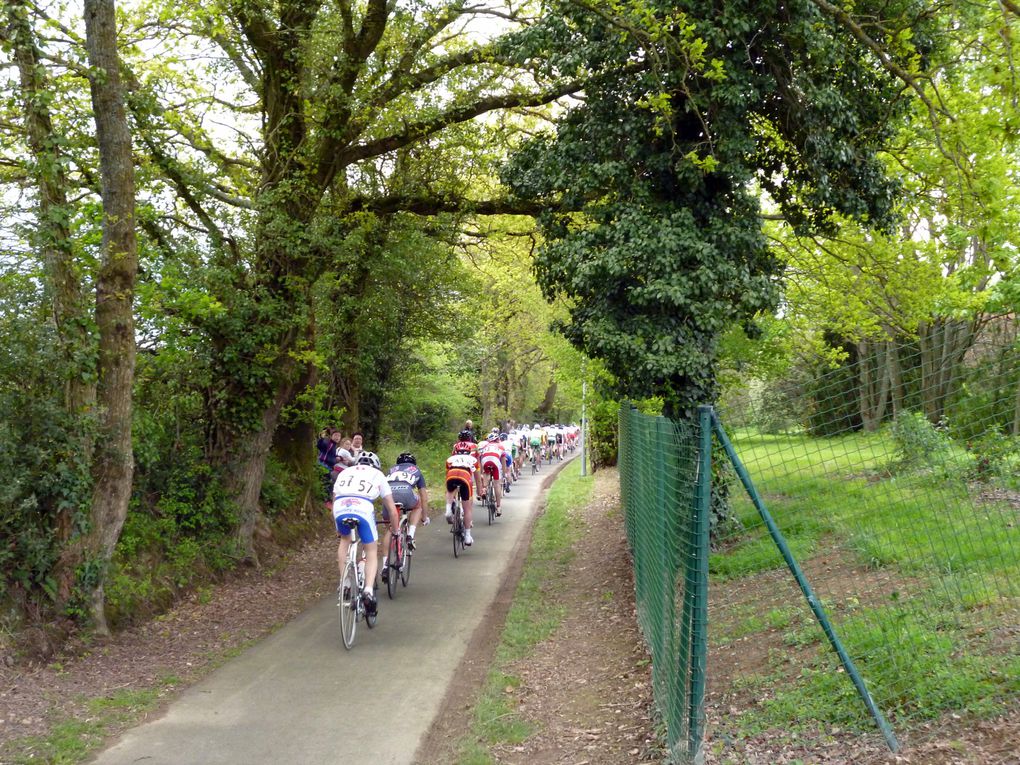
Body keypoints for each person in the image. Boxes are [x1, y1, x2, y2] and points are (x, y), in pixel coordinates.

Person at [332, 451, 398, 618]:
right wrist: (395, 530)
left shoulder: (345, 472)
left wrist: (338, 527)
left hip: (340, 506)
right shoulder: (378, 474)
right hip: (362, 506)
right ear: (375, 465)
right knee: (370, 550)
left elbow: (334, 498)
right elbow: (391, 509)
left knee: (345, 540)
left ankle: (345, 582)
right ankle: (368, 590)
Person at [382, 452, 430, 586]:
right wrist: (424, 517)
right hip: (406, 492)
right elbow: (424, 496)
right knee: (418, 505)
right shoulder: (416, 470)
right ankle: (410, 535)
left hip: (389, 495)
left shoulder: (391, 469)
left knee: (391, 529)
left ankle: (385, 566)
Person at [446, 432, 482, 546]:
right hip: (466, 478)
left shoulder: (450, 459)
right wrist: (480, 490)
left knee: (450, 491)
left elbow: (447, 474)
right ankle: (467, 536)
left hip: (451, 475)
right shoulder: (473, 459)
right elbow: (477, 478)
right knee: (467, 509)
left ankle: (448, 509)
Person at [477, 432, 507, 515]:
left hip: (485, 462)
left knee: (486, 475)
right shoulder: (500, 446)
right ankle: (498, 507)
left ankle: (484, 489)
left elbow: (479, 458)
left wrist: (481, 472)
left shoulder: (484, 446)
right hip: (495, 462)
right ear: (497, 439)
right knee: (497, 484)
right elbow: (503, 461)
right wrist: (504, 473)